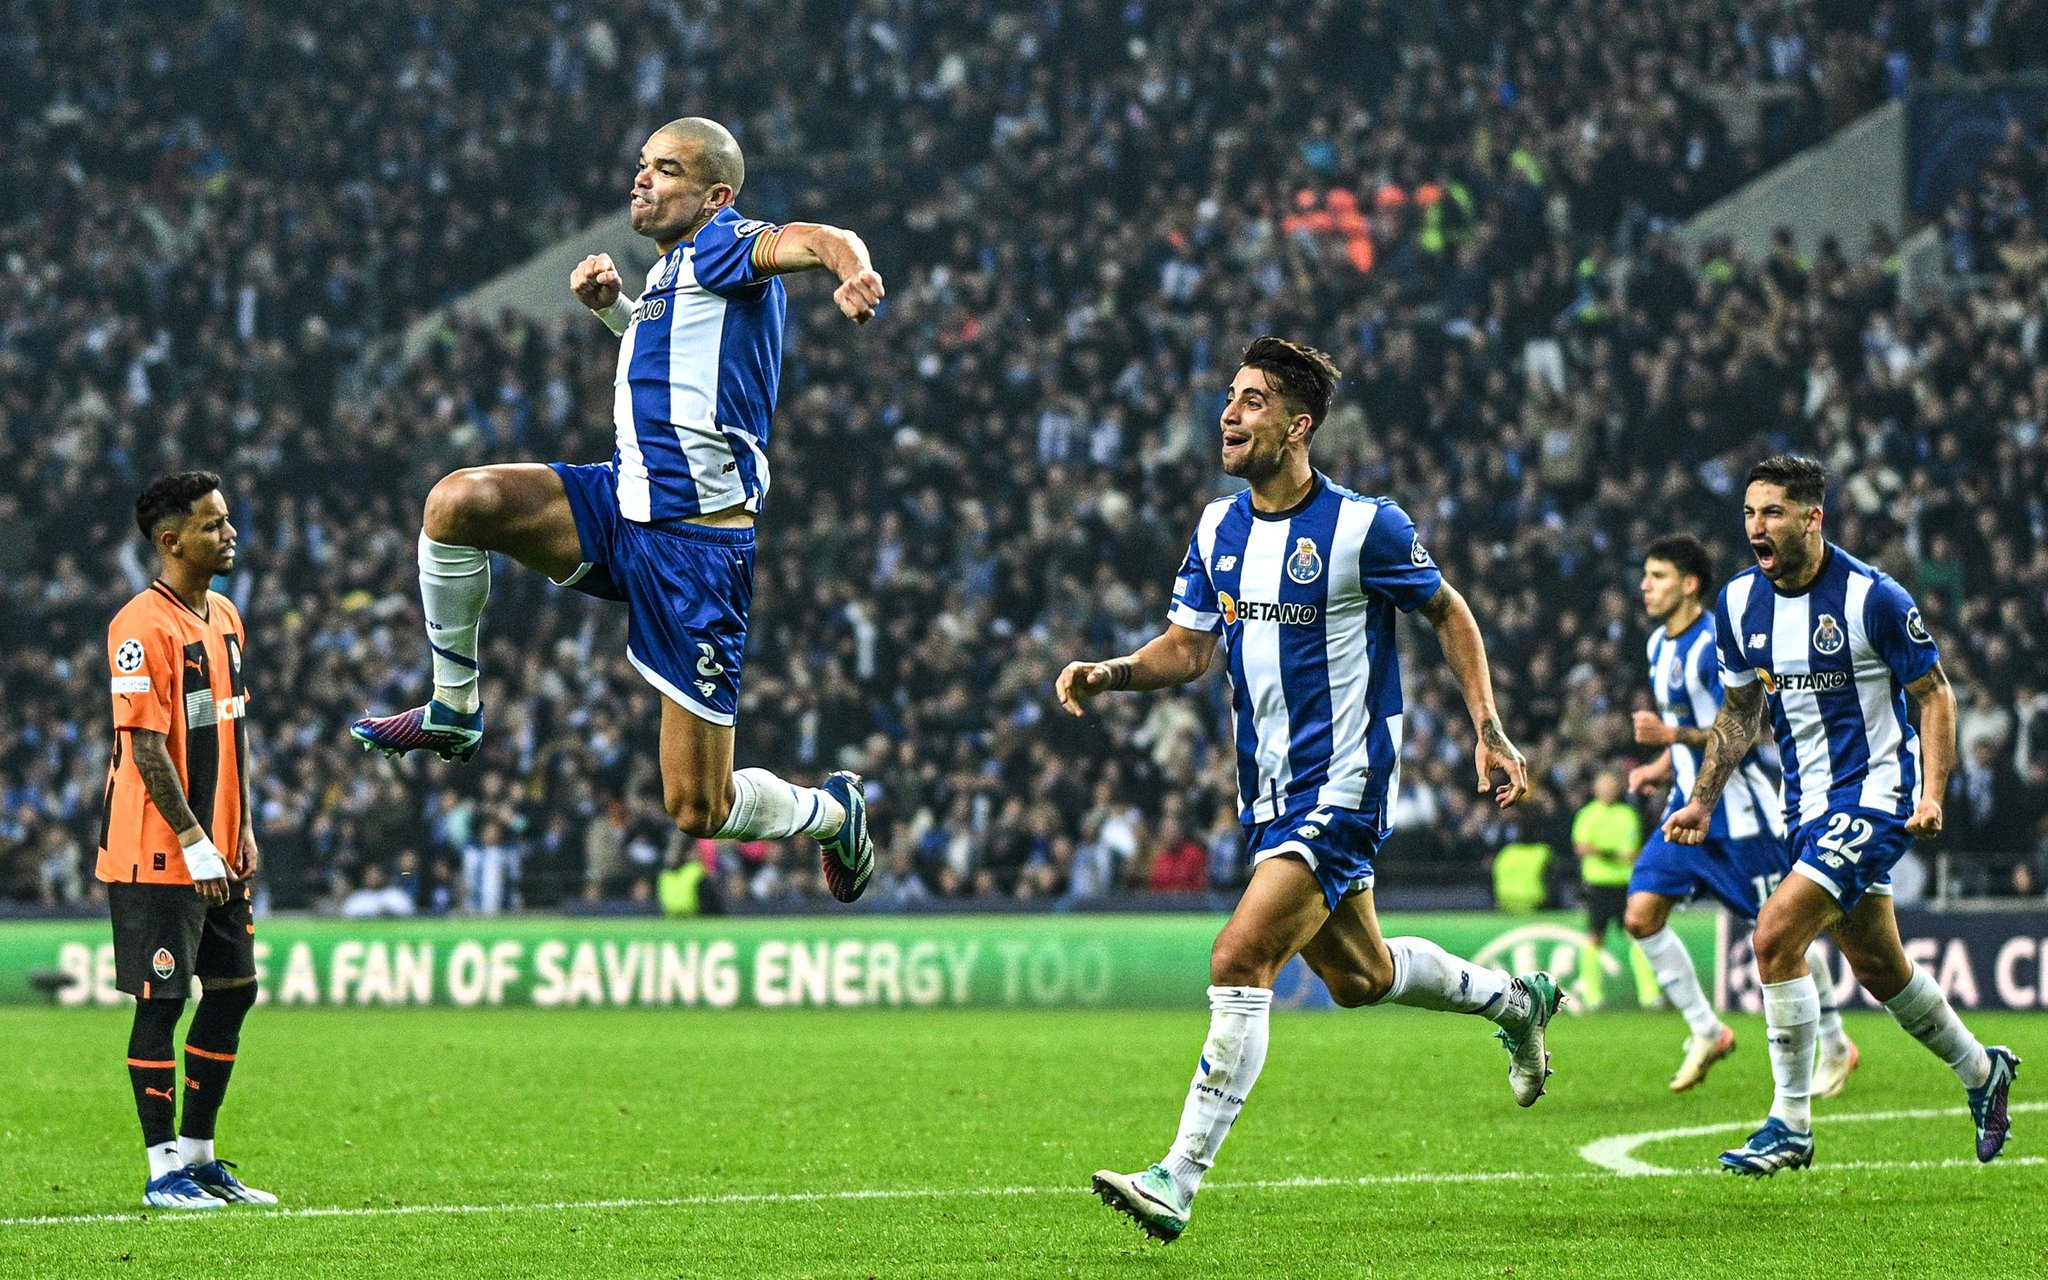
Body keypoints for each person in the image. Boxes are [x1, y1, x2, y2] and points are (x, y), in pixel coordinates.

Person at [1059, 338, 1553, 1244]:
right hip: (1269, 793)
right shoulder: (1216, 530)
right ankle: (1514, 1002)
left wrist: (1487, 728)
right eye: (1230, 399)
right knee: (1361, 978)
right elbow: (1191, 647)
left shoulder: (1368, 528)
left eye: (1251, 403)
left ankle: (1178, 1177)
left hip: (1348, 780)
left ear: (1298, 426)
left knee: (1238, 959)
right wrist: (1114, 673)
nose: (1229, 415)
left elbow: (1449, 613)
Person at [350, 117, 882, 903]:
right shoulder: (675, 273)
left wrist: (852, 271)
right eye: (643, 164)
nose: (642, 179)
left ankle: (830, 812)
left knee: (700, 806)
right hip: (620, 502)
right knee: (459, 502)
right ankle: (454, 709)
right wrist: (613, 310)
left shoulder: (725, 244)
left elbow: (815, 237)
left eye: (667, 170)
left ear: (716, 197)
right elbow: (677, 361)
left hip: (695, 553)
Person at [1665, 456, 2019, 1175]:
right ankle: (1984, 1072)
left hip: (1875, 794)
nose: (1756, 528)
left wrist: (1931, 793)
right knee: (1879, 965)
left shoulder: (1871, 599)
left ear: (1811, 517)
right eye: (1748, 514)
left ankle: (1789, 1124)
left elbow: (1935, 694)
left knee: (1773, 937)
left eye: (1771, 513)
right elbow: (1739, 712)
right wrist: (1702, 798)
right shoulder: (1737, 607)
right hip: (1808, 807)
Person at [1624, 533, 1857, 1093]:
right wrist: (1664, 763)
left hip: (1744, 820)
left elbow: (1749, 729)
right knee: (1640, 916)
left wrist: (1674, 733)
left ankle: (1837, 1042)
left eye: (1657, 576)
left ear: (1690, 584)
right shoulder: (1658, 646)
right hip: (1686, 811)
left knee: (1784, 936)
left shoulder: (1714, 645)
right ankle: (1708, 1029)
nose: (1645, 586)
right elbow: (1692, 732)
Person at [100, 472, 276, 1208]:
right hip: (159, 851)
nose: (229, 532)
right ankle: (161, 1168)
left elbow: (225, 735)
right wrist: (197, 840)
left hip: (220, 846)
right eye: (212, 525)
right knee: (161, 1001)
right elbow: (146, 749)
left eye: (228, 520)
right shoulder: (141, 626)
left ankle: (201, 1158)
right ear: (171, 542)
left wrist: (242, 826)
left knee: (235, 990)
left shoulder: (227, 617)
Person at [1568, 769, 1644, 1011]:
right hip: (1598, 886)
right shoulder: (1587, 815)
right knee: (1594, 938)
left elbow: (1631, 852)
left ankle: (1649, 994)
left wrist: (1600, 850)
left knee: (1639, 937)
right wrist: (1613, 853)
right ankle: (1592, 994)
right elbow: (1582, 847)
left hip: (1625, 885)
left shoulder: (1627, 815)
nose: (1607, 790)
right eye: (1604, 786)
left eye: (1612, 785)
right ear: (1596, 789)